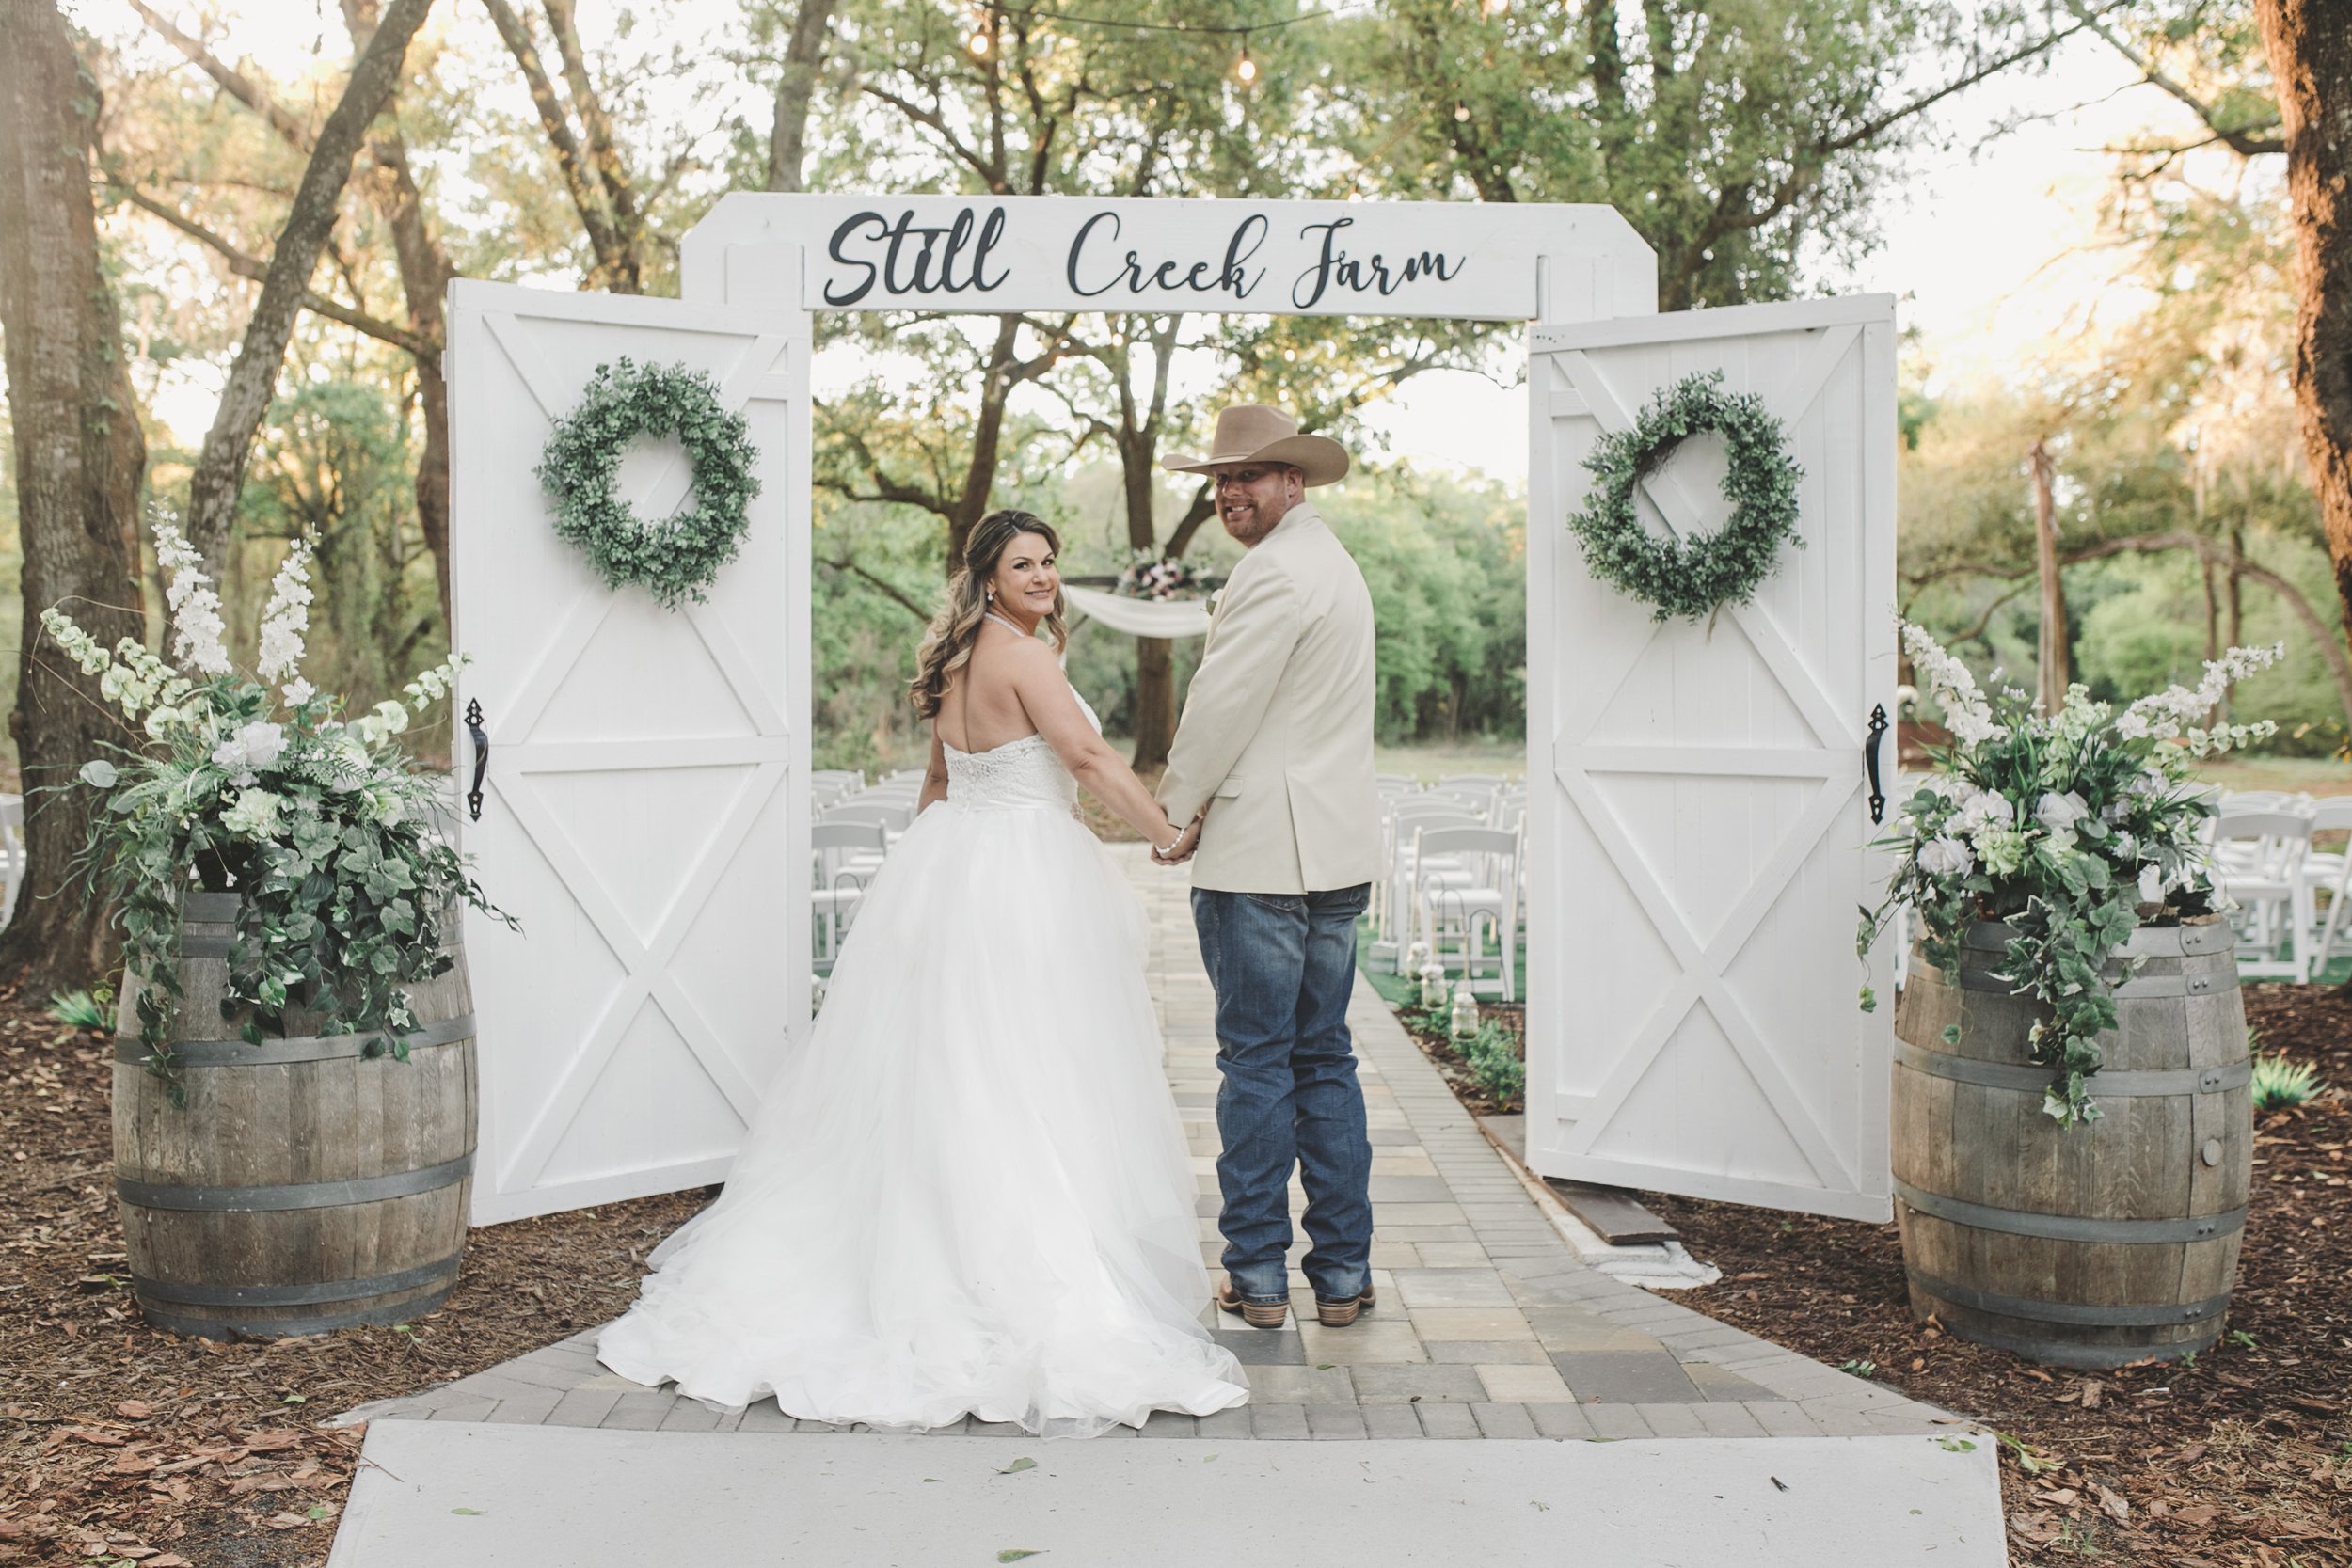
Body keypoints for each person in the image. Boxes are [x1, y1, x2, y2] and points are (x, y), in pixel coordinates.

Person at [596, 509, 1248, 1438]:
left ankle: (926, 1246)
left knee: (946, 1066)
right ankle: (1012, 1271)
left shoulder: (952, 660)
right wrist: (1165, 834)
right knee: (1027, 1066)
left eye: (1051, 562)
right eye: (1024, 563)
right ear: (988, 576)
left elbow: (938, 786)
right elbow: (1088, 755)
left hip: (951, 864)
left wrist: (921, 879)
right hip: (1021, 871)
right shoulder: (1021, 655)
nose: (1044, 576)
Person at [1153, 404, 1382, 1333]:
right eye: (1220, 477)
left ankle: (1254, 1274)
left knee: (1255, 1063)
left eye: (1251, 473)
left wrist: (1172, 809)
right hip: (1333, 852)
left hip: (1260, 863)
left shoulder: (1272, 572)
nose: (1231, 490)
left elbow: (1219, 706)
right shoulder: (1337, 567)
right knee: (1323, 1058)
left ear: (1296, 480)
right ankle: (1342, 1274)